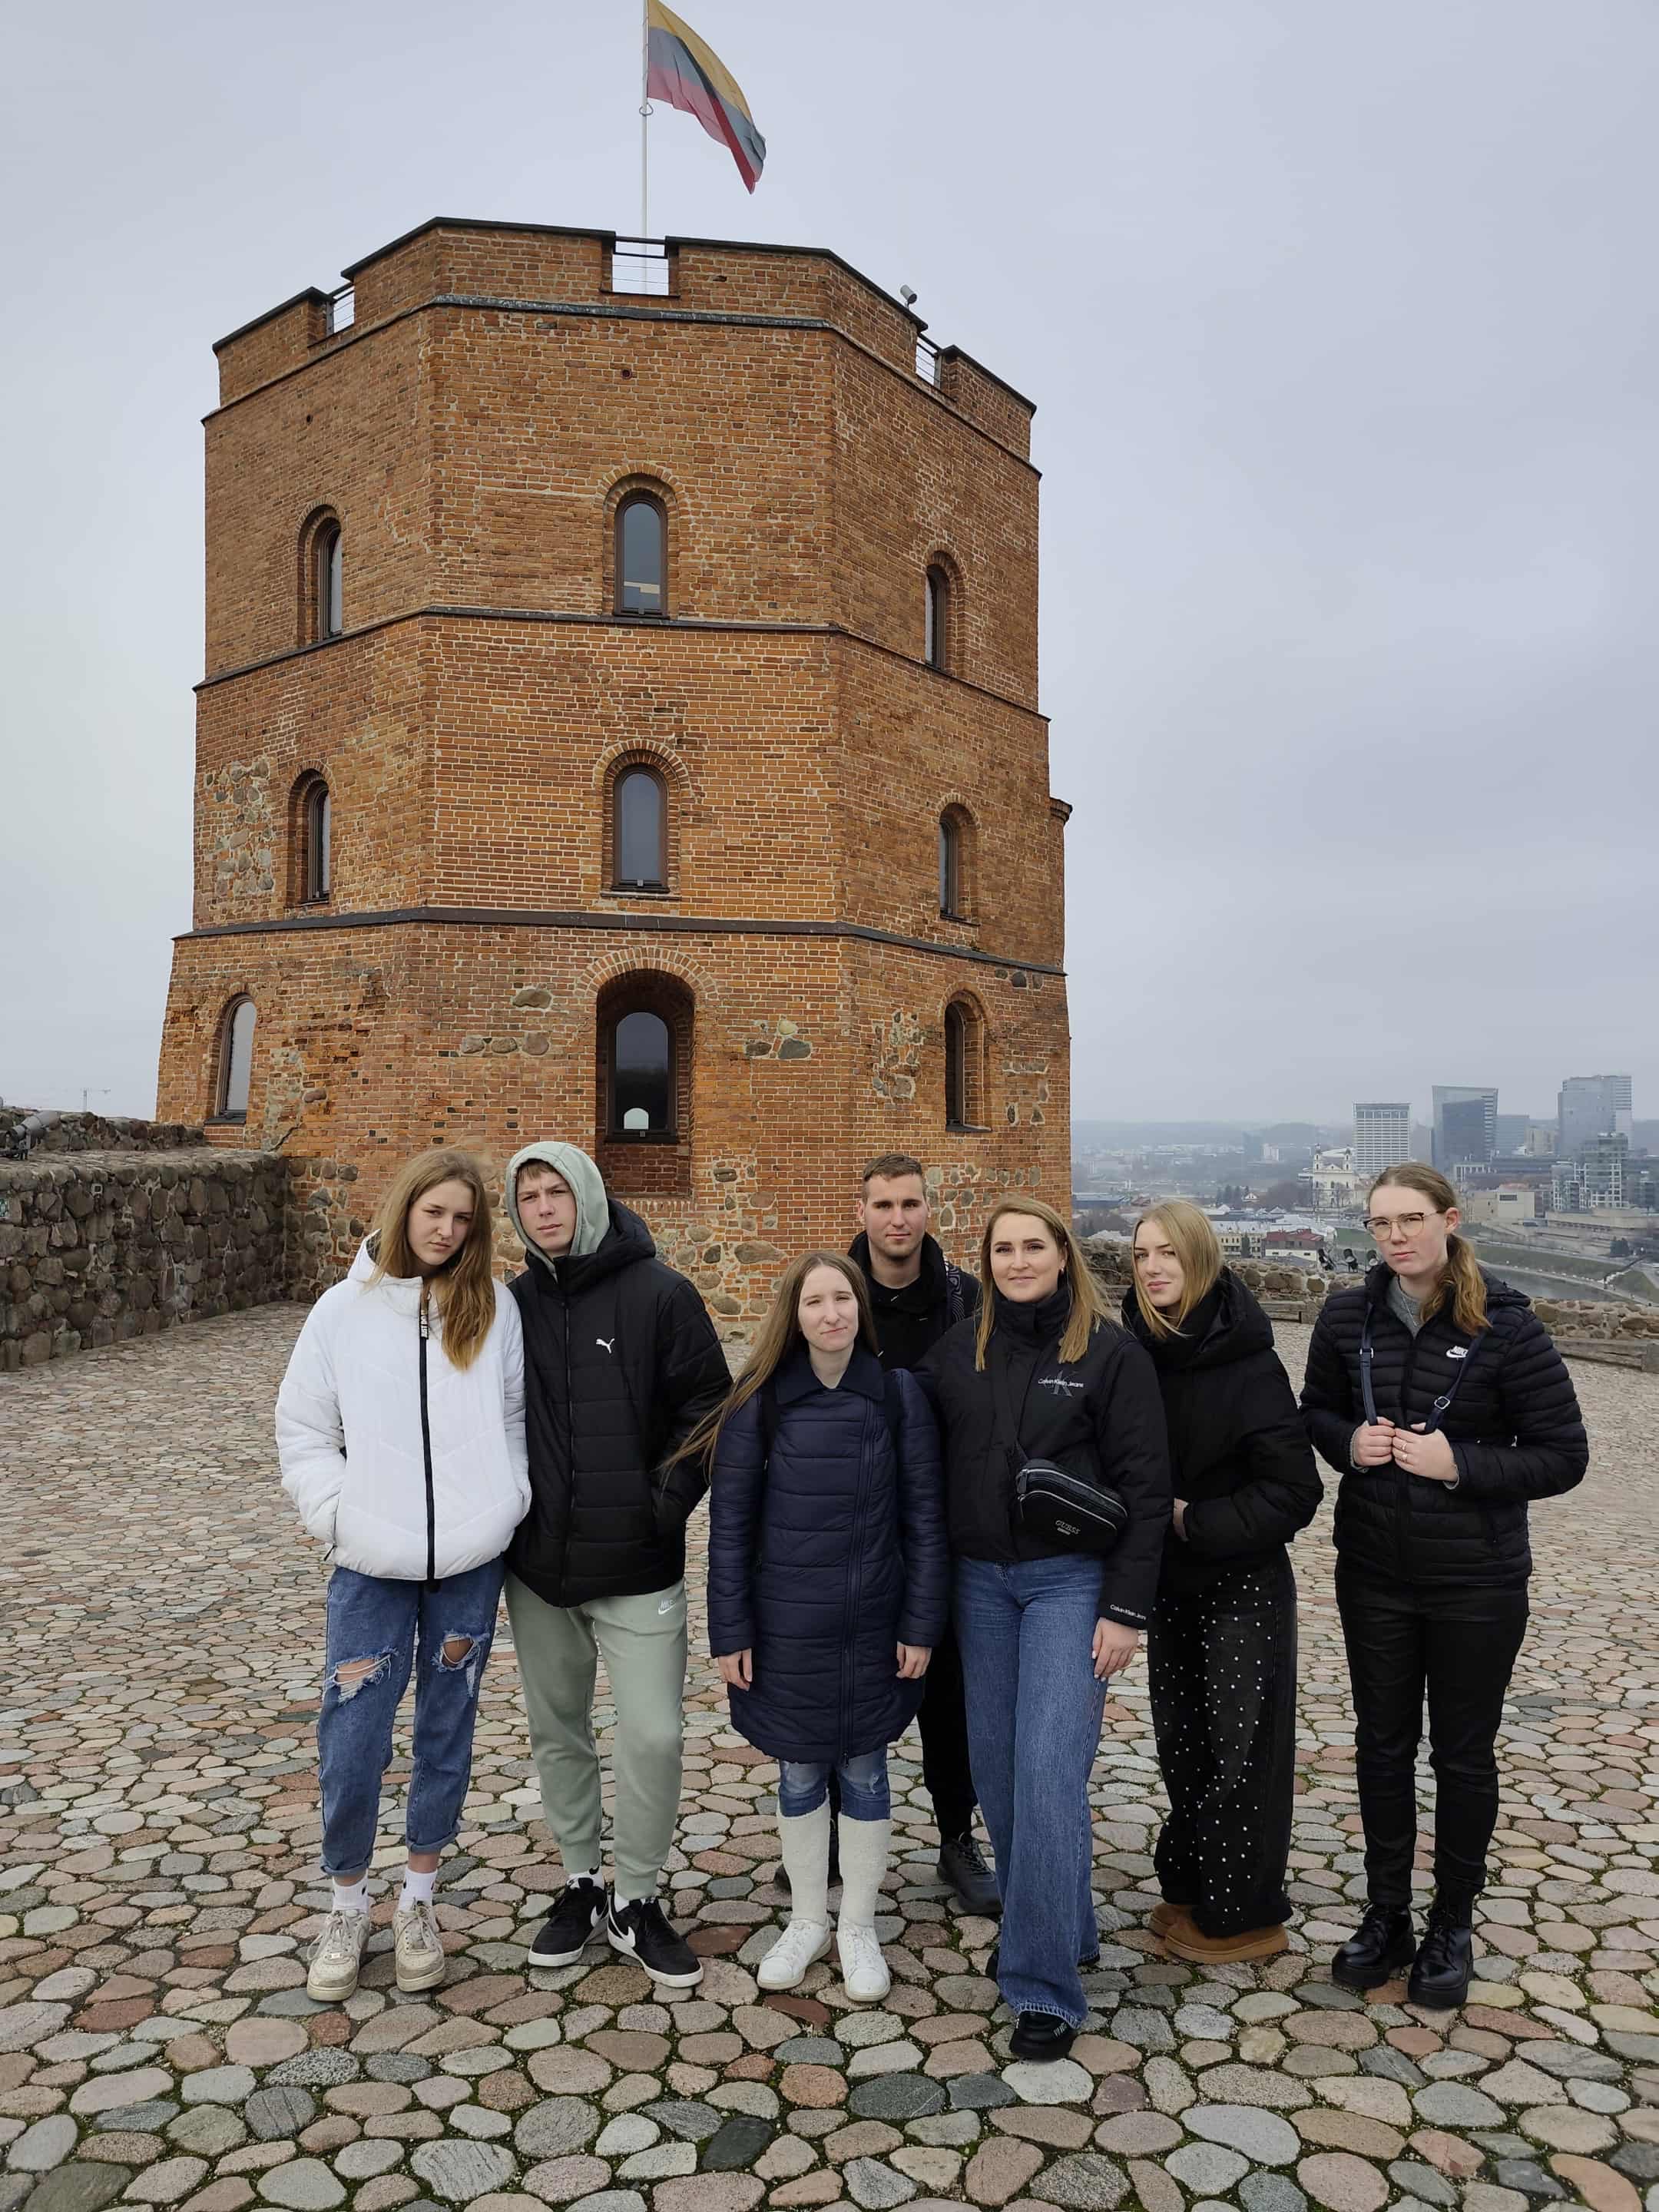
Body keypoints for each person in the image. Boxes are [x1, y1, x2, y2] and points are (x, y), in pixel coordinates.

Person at [1302, 1163, 1588, 2006]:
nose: (1396, 1237)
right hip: (1374, 1571)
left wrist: (1457, 1462)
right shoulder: (1346, 1315)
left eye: (1411, 1220)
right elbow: (1315, 1411)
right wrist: (1347, 1444)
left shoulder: (1508, 1326)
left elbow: (1563, 1456)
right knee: (1382, 1745)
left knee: (1462, 1755)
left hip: (1476, 1580)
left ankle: (1451, 1923)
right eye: (1381, 1223)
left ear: (1449, 1221)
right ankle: (1387, 1912)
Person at [919, 1195, 1171, 2060]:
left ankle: (1042, 1986)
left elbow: (1146, 1486)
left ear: (1064, 1255)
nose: (1019, 1262)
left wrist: (1126, 1609)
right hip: (979, 1585)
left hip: (1071, 1582)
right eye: (1004, 1250)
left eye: (1035, 1247)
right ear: (986, 1261)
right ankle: (1067, 1926)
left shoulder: (1110, 1354)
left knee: (1049, 1771)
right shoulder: (959, 1351)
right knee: (997, 1772)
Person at [276, 1147, 530, 2004]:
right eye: (434, 1213)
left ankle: (419, 1897)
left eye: (462, 1219)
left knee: (446, 1728)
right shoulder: (341, 1312)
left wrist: (507, 1500)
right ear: (404, 1208)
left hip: (469, 1561)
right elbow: (304, 1426)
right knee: (353, 1734)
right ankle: (347, 1902)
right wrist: (336, 1514)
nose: (447, 1231)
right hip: (369, 1563)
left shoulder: (492, 1309)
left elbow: (513, 1416)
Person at [505, 1142, 730, 1988]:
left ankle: (636, 1895)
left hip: (638, 1566)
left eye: (557, 1191)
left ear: (588, 1196)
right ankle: (581, 1882)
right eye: (529, 1195)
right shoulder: (511, 1306)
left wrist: (657, 1509)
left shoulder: (662, 1294)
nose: (544, 1208)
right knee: (558, 1729)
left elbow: (708, 1408)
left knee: (654, 1734)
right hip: (540, 1569)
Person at [698, 1250, 948, 2002]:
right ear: (794, 1315)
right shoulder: (759, 1403)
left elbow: (925, 1521)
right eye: (815, 1301)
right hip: (787, 1630)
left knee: (866, 1770)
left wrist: (920, 1624)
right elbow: (730, 1528)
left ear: (860, 1309)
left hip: (873, 1624)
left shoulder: (898, 1397)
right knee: (800, 1770)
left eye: (843, 1298)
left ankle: (859, 1925)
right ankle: (808, 1918)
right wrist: (730, 1632)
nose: (831, 1313)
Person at [1124, 1202, 1322, 1965]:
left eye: (1169, 1253)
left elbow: (1295, 1490)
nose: (1153, 1268)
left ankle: (1244, 1916)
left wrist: (1191, 1520)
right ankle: (1193, 1888)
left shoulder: (1248, 1362)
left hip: (1241, 1583)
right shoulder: (1136, 1349)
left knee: (1243, 1753)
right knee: (1184, 1744)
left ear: (1201, 1258)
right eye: (1142, 1254)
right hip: (1171, 1586)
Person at [848, 1152, 997, 1916]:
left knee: (950, 1695)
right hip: (855, 1526)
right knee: (847, 1683)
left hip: (946, 1524)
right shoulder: (833, 1294)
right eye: (883, 1205)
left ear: (928, 1210)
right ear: (863, 1212)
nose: (897, 1219)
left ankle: (955, 1836)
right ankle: (835, 1837)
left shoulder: (966, 1299)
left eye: (910, 1204)